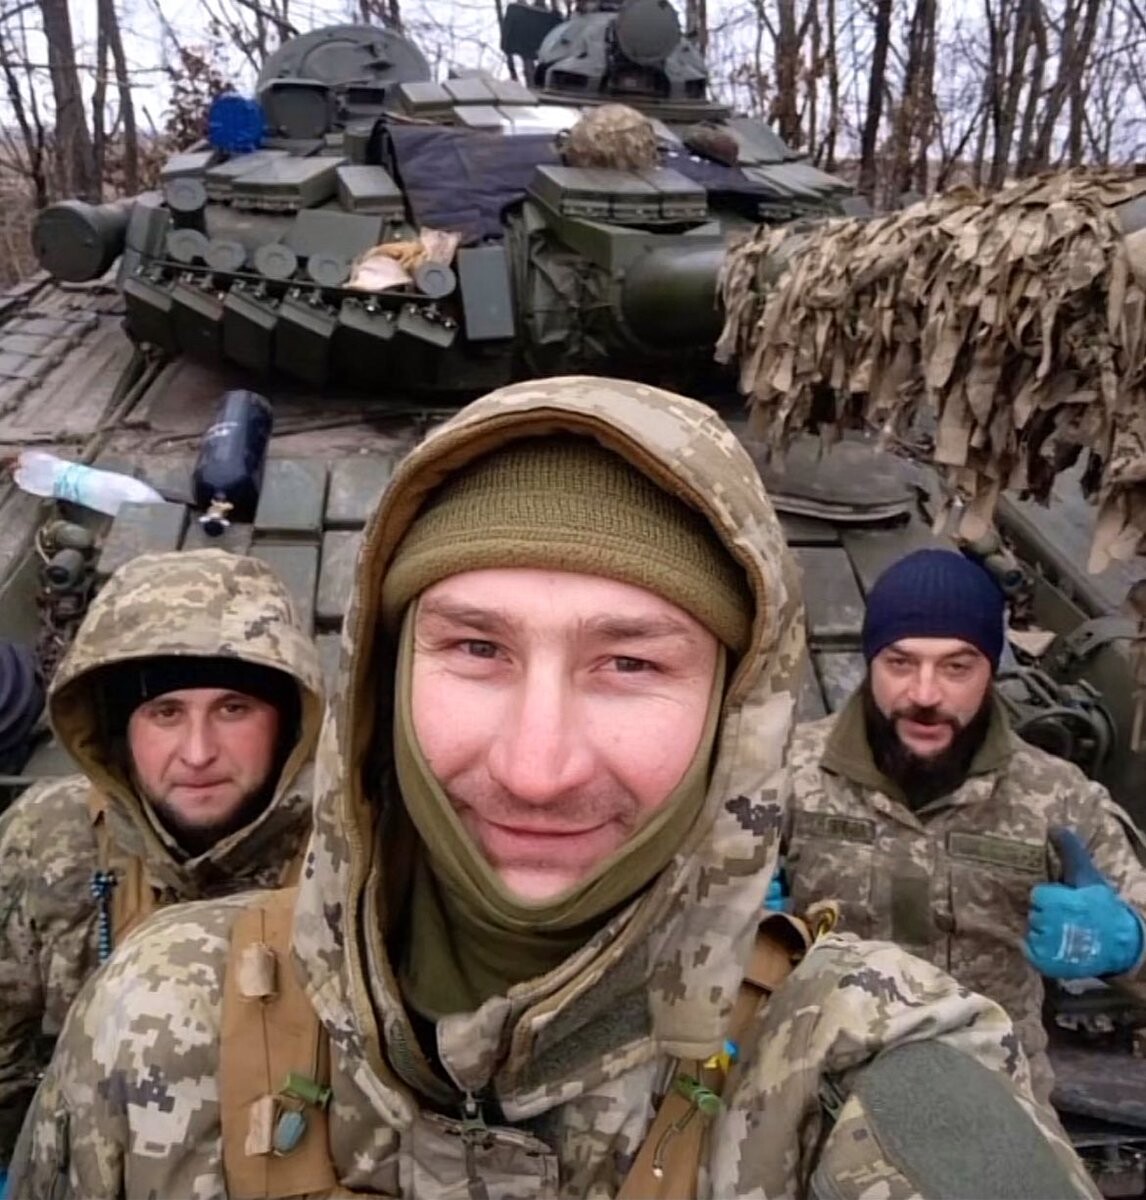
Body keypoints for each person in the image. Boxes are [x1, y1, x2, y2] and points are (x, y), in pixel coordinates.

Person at [8, 381, 1095, 1199]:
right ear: (385, 679)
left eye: (631, 662)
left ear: (738, 709)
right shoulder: (161, 1013)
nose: (538, 769)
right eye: (475, 648)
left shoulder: (857, 1056)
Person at [0, 549, 324, 1181]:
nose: (198, 753)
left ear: (287, 724)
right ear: (120, 728)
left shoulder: (347, 859)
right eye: (165, 713)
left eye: (233, 709)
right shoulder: (47, 840)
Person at [781, 546, 1146, 1101]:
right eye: (900, 663)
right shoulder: (786, 774)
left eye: (957, 667)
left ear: (991, 670)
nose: (925, 695)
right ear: (871, 663)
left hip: (991, 1085)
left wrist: (1129, 941)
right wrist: (733, 921)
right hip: (812, 1078)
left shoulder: (1056, 797)